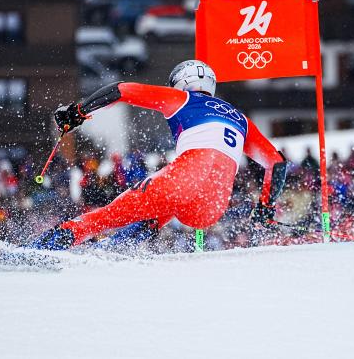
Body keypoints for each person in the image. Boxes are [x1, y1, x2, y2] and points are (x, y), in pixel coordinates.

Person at [30, 60, 287, 250]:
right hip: (212, 208)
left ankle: (42, 249)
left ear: (182, 82)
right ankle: (112, 251)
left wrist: (78, 111)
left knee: (107, 216)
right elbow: (276, 164)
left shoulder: (182, 98)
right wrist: (265, 208)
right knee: (160, 211)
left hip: (181, 182)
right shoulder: (240, 118)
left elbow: (122, 90)